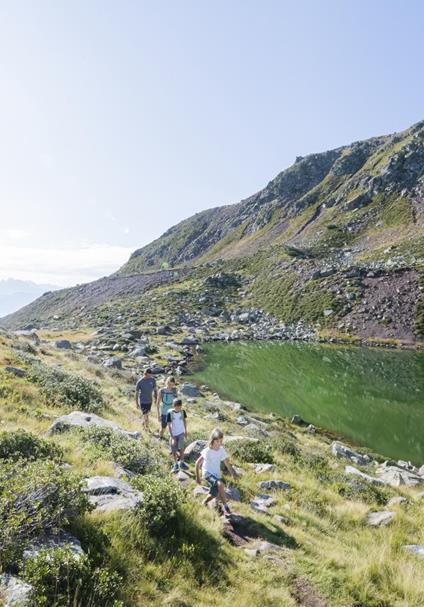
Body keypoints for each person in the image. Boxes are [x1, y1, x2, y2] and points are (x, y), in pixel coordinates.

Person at [195, 428, 238, 517]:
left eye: (221, 441)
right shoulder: (207, 451)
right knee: (220, 484)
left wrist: (233, 474)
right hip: (207, 473)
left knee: (214, 493)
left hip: (216, 474)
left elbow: (227, 463)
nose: (219, 443)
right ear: (213, 440)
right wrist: (198, 477)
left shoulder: (221, 450)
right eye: (217, 441)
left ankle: (204, 502)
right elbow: (197, 463)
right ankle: (226, 507)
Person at [167, 398, 188, 473]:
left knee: (181, 448)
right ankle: (175, 463)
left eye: (179, 407)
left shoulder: (183, 412)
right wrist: (171, 435)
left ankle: (182, 462)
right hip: (174, 433)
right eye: (176, 407)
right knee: (173, 447)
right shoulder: (170, 413)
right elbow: (169, 425)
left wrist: (185, 430)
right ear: (173, 406)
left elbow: (185, 421)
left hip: (181, 432)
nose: (178, 408)